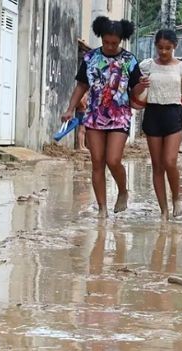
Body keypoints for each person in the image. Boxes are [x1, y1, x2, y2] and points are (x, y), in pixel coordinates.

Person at [61, 16, 145, 217]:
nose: (109, 46)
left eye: (114, 43)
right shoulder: (90, 58)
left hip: (120, 116)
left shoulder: (129, 60)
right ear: (101, 38)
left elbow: (136, 90)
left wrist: (143, 86)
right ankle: (102, 209)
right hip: (94, 116)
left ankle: (123, 191)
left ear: (121, 41)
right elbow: (81, 85)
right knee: (97, 161)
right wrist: (70, 109)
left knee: (113, 159)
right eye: (106, 42)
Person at [137, 29, 182, 220]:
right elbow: (134, 90)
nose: (164, 52)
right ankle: (163, 211)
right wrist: (140, 85)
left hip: (173, 114)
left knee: (169, 161)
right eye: (160, 48)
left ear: (175, 46)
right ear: (155, 46)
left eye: (168, 48)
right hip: (152, 113)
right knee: (157, 166)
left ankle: (176, 199)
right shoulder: (147, 66)